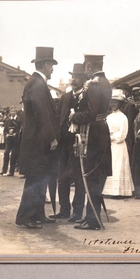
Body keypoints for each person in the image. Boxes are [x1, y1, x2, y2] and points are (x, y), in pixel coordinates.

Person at [15, 47, 60, 229]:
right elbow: (43, 114)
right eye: (51, 66)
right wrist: (51, 138)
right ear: (46, 65)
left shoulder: (36, 83)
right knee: (35, 178)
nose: (52, 70)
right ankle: (25, 217)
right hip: (38, 141)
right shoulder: (37, 84)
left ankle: (38, 214)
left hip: (37, 140)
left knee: (40, 177)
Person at [72, 54, 112, 230]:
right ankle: (90, 215)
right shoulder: (105, 82)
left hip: (94, 134)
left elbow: (91, 113)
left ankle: (93, 219)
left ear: (89, 65)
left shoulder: (94, 85)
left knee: (92, 176)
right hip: (100, 130)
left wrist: (74, 116)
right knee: (94, 177)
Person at [54, 63, 88, 221]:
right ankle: (64, 209)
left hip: (81, 142)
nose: (74, 80)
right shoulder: (65, 97)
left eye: (77, 77)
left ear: (83, 80)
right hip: (65, 143)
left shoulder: (87, 96)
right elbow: (59, 119)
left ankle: (77, 212)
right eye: (72, 77)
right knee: (62, 178)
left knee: (80, 179)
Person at [102, 90, 134, 197]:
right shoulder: (108, 117)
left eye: (115, 102)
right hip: (109, 145)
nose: (113, 104)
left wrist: (110, 137)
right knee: (110, 166)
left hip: (118, 145)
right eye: (111, 102)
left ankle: (119, 191)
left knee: (118, 166)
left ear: (120, 104)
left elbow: (122, 135)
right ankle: (109, 190)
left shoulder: (123, 117)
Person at [117, 82, 138, 163]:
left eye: (121, 90)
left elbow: (129, 123)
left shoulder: (130, 105)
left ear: (126, 92)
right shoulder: (119, 105)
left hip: (126, 136)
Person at [0, 107, 21, 176]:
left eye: (14, 111)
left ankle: (11, 171)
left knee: (13, 155)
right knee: (6, 153)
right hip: (9, 140)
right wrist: (6, 134)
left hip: (15, 140)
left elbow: (21, 129)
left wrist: (16, 134)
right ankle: (4, 170)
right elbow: (5, 129)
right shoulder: (7, 120)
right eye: (11, 111)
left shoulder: (19, 120)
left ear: (16, 112)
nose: (13, 112)